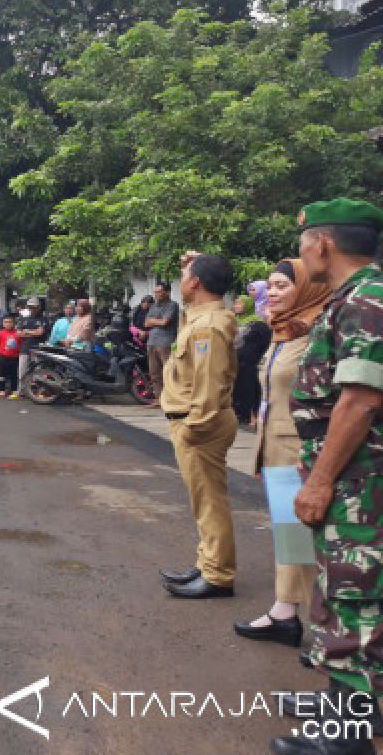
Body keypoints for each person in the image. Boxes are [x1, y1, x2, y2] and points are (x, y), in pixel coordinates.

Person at [268, 199, 383, 755]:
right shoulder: (351, 299)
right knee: (342, 591)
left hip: (362, 483)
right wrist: (317, 462)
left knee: (354, 596)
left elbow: (360, 401)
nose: (301, 253)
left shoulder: (366, 300)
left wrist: (321, 479)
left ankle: (348, 737)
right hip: (348, 475)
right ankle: (348, 700)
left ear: (323, 244)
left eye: (303, 242)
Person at [232, 259, 329, 650]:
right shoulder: (283, 331)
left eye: (282, 286)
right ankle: (286, 612)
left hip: (302, 448)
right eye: (268, 286)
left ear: (305, 288)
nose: (270, 293)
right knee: (289, 535)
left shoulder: (316, 331)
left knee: (306, 536)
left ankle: (322, 629)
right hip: (275, 444)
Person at [159, 252, 239, 599]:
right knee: (202, 501)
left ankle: (218, 575)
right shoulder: (200, 317)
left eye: (185, 276)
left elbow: (209, 382)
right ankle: (208, 561)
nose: (181, 281)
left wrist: (195, 426)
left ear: (195, 283)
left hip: (200, 424)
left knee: (210, 502)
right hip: (194, 420)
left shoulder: (208, 325)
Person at [231, 293, 272, 428]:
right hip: (236, 361)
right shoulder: (233, 321)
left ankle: (253, 416)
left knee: (252, 389)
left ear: (248, 305)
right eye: (236, 303)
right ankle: (239, 414)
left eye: (240, 303)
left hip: (252, 362)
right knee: (238, 388)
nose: (237, 306)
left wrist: (260, 358)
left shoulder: (258, 324)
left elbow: (267, 342)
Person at [145, 282, 181, 407]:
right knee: (154, 373)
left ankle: (170, 399)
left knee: (168, 372)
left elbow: (165, 322)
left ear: (167, 292)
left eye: (159, 292)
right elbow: (146, 323)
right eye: (155, 292)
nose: (156, 295)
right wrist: (157, 321)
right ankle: (159, 399)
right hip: (152, 342)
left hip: (165, 342)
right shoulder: (153, 306)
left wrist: (154, 321)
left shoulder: (172, 305)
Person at [16, 298, 47, 395]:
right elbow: (18, 333)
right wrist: (33, 332)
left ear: (38, 307)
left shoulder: (43, 319)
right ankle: (22, 390)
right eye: (30, 307)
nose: (32, 309)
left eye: (34, 307)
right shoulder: (23, 319)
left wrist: (26, 331)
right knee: (22, 370)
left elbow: (40, 332)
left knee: (39, 371)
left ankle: (38, 390)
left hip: (39, 349)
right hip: (24, 348)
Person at [0, 315, 22, 399]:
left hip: (14, 357)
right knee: (1, 375)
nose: (8, 324)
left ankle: (13, 390)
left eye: (10, 322)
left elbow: (20, 344)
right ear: (3, 324)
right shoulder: (0, 333)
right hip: (3, 357)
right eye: (6, 322)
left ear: (13, 323)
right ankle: (1, 390)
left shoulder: (17, 333)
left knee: (14, 375)